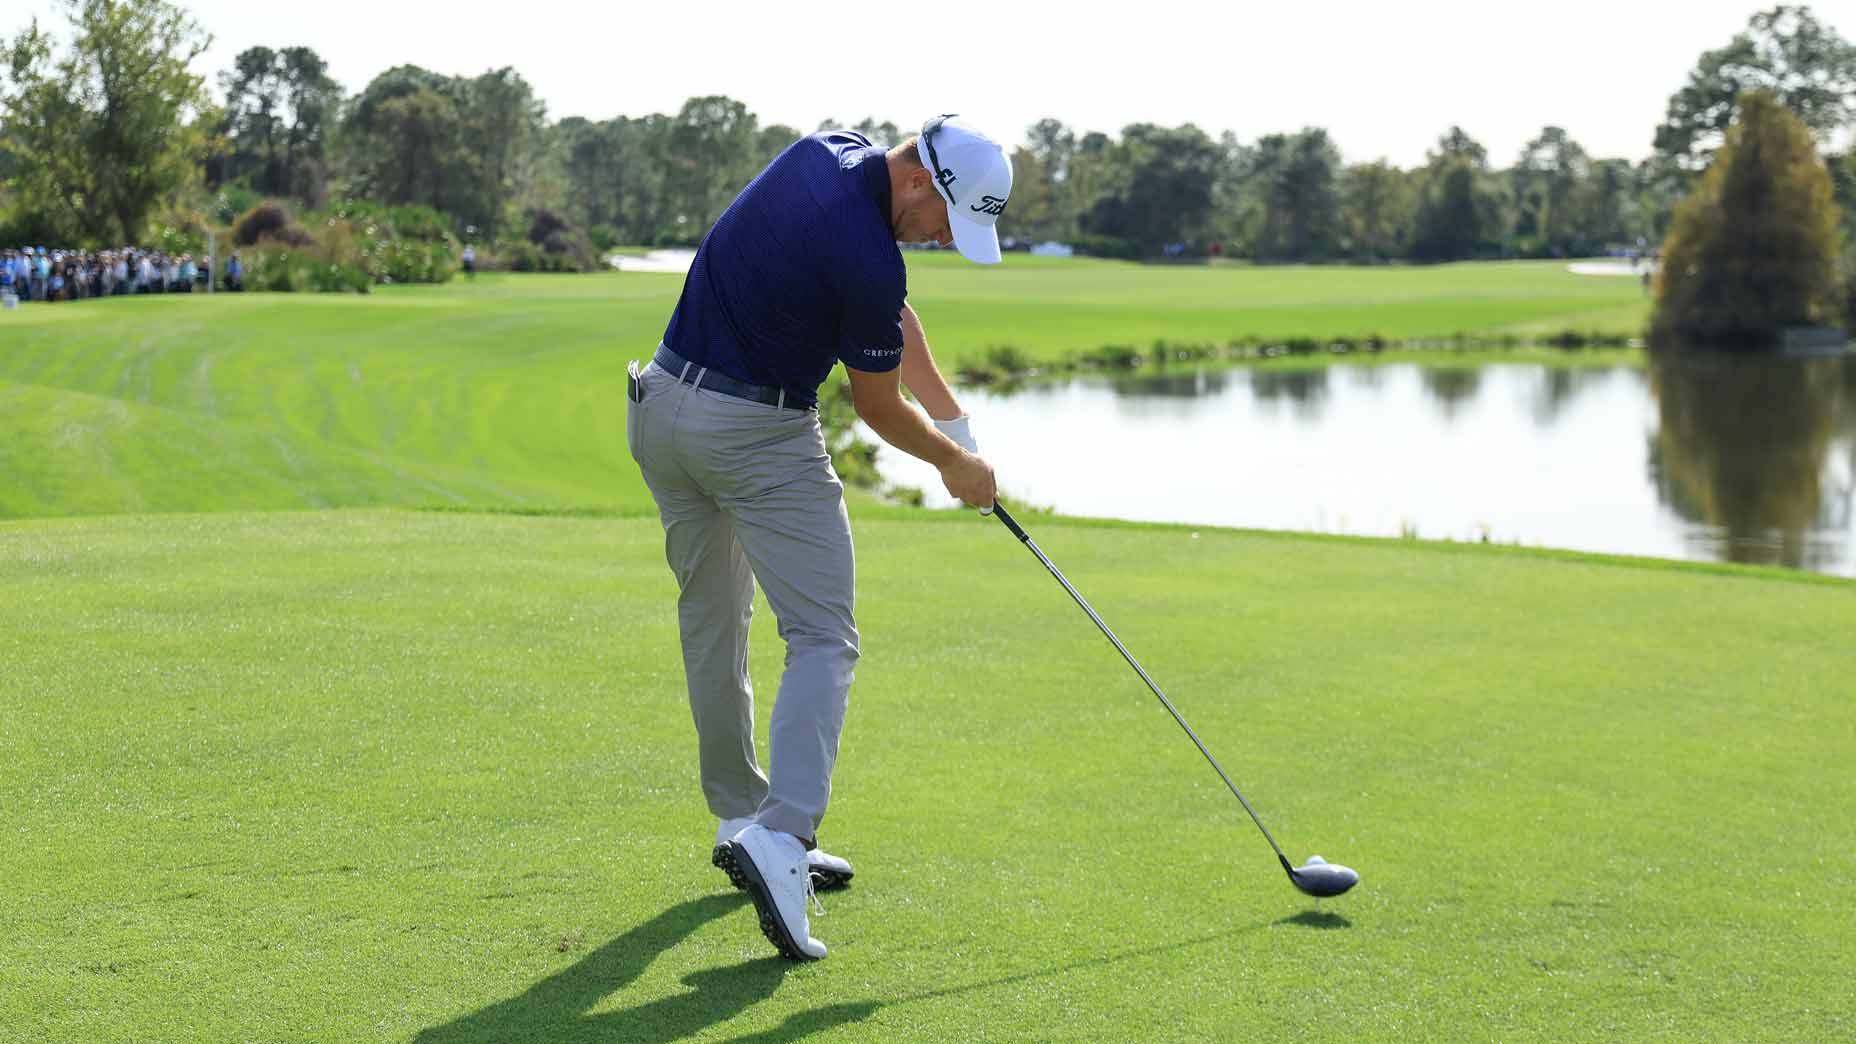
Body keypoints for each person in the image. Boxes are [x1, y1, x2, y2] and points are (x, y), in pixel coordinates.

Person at [626, 114, 1008, 962]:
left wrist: (954, 417)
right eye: (947, 220)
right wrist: (957, 467)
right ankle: (784, 839)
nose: (945, 238)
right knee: (824, 637)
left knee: (714, 625)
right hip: (753, 435)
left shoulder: (827, 152)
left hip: (660, 408)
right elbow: (876, 409)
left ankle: (740, 818)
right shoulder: (872, 255)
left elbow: (891, 317)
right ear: (919, 182)